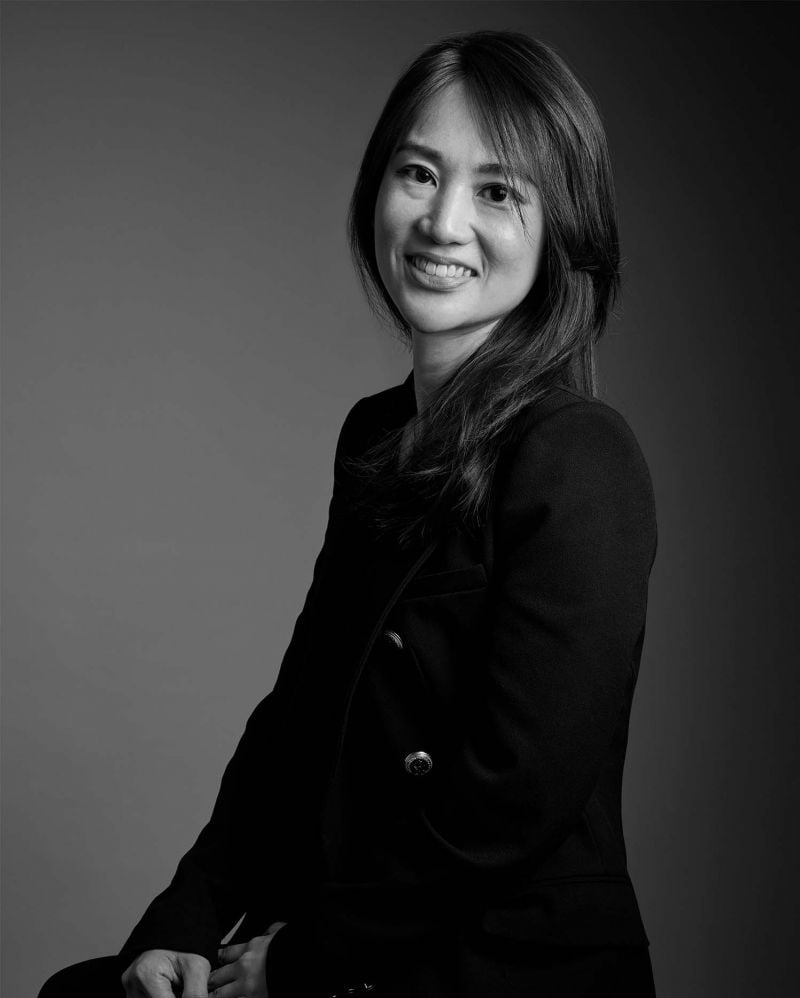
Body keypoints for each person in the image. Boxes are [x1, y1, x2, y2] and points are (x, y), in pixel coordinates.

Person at [39, 29, 658, 998]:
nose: (442, 221)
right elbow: (302, 719)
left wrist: (299, 960)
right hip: (364, 945)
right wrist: (184, 921)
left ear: (560, 229)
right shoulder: (378, 435)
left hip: (503, 965)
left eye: (498, 191)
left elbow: (511, 801)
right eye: (419, 173)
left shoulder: (581, 455)